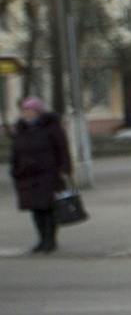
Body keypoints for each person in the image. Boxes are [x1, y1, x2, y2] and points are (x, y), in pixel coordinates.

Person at [10, 96, 70, 254]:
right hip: (27, 176)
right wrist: (15, 170)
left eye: (30, 110)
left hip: (48, 174)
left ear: (38, 112)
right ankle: (41, 239)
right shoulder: (20, 129)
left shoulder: (51, 127)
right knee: (35, 210)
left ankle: (50, 240)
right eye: (24, 110)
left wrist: (64, 169)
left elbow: (62, 150)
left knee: (48, 208)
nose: (27, 113)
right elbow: (15, 152)